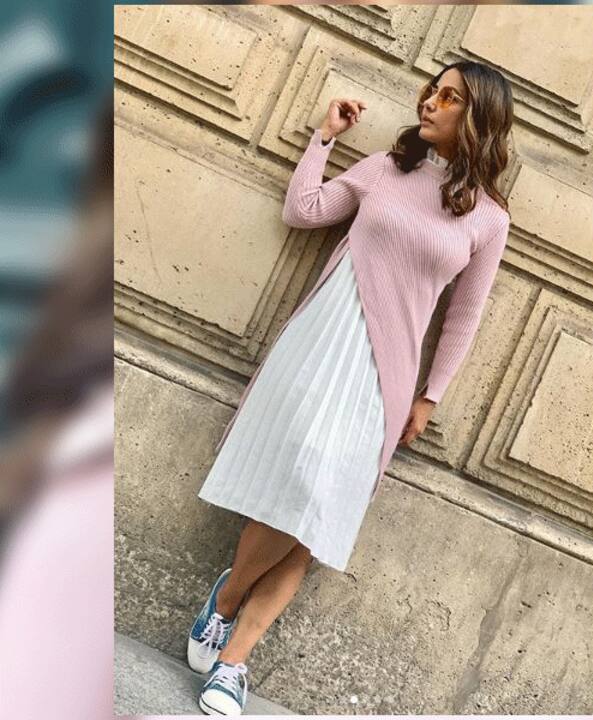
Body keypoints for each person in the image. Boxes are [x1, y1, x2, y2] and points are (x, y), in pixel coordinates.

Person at [190, 61, 513, 715]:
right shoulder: (386, 169)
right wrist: (323, 138)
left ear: (478, 116)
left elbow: (465, 315)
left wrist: (431, 395)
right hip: (322, 344)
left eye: (449, 96)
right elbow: (303, 211)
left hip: (386, 374)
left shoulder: (488, 218)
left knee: (320, 517)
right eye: (432, 90)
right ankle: (226, 600)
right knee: (298, 488)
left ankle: (233, 657)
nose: (431, 102)